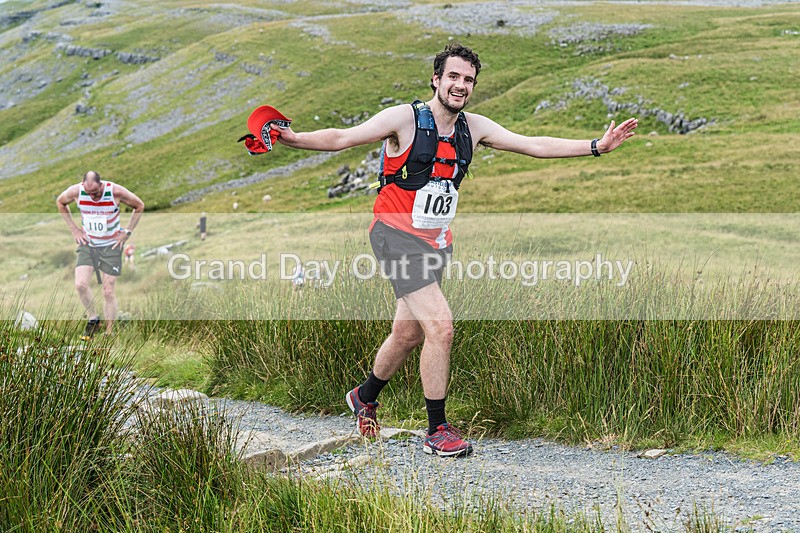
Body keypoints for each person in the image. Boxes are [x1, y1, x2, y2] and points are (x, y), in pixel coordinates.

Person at [271, 43, 637, 457]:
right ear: (436, 79)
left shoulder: (474, 128)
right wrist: (295, 139)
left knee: (407, 333)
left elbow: (533, 143)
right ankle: (437, 429)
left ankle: (364, 396)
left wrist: (596, 146)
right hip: (394, 235)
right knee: (441, 326)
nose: (461, 86)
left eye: (468, 80)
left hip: (436, 242)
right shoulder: (404, 119)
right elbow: (342, 137)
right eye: (454, 77)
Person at [56, 171, 145, 338]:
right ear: (83, 186)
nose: (93, 197)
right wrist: (74, 229)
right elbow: (60, 203)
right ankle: (93, 319)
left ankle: (109, 333)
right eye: (89, 194)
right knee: (80, 285)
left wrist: (127, 232)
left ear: (101, 184)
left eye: (96, 193)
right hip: (88, 245)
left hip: (111, 246)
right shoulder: (76, 191)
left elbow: (139, 205)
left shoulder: (115, 191)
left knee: (108, 290)